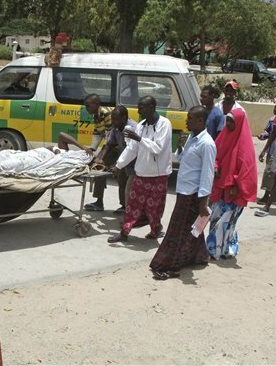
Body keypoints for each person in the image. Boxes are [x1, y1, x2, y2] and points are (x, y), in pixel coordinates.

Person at [149, 106, 216, 280]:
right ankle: (200, 256)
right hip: (183, 189)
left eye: (191, 118)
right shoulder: (192, 138)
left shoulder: (207, 143)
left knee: (179, 231)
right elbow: (185, 160)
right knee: (192, 230)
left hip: (193, 194)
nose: (187, 121)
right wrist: (180, 148)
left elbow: (207, 174)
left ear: (201, 121)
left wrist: (203, 202)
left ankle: (172, 267)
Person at [108, 96, 173, 243]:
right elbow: (132, 149)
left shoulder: (164, 124)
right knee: (132, 205)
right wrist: (118, 165)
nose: (138, 111)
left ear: (151, 108)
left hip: (158, 175)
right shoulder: (141, 125)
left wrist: (139, 139)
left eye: (141, 108)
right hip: (141, 174)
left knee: (154, 209)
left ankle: (156, 229)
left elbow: (157, 148)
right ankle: (124, 233)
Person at [206, 109, 257, 259]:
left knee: (227, 222)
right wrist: (215, 167)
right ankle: (213, 249)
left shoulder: (245, 144)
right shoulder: (223, 136)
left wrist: (237, 187)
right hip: (219, 186)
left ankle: (224, 248)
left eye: (231, 121)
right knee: (215, 219)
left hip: (233, 190)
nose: (227, 124)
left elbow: (248, 168)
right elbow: (214, 154)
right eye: (227, 120)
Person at [84, 106, 137, 214]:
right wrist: (100, 159)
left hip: (133, 159)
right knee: (99, 168)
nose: (112, 121)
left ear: (123, 118)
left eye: (114, 119)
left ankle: (126, 207)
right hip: (121, 153)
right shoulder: (116, 127)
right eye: (112, 118)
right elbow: (109, 145)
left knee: (124, 181)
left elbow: (130, 151)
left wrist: (116, 165)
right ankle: (99, 202)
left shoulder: (132, 128)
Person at [256, 101, 276, 205]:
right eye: (275, 107)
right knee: (273, 173)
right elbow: (268, 132)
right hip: (271, 150)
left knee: (269, 173)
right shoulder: (271, 120)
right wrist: (262, 136)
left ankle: (266, 196)